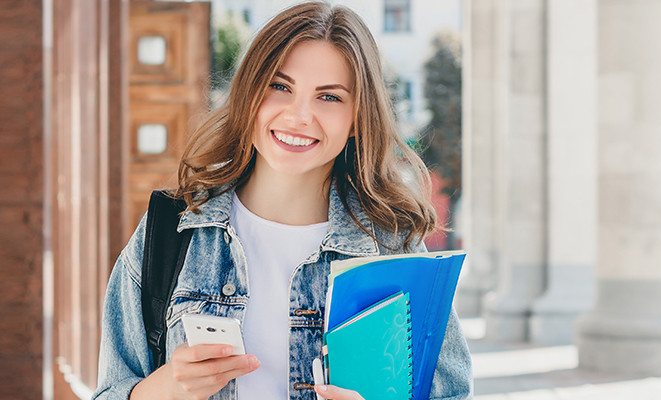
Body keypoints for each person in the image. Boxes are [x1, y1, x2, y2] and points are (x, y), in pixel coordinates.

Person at [92, 2, 473, 400]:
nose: (299, 115)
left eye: (329, 97)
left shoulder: (391, 248)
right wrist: (168, 386)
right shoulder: (172, 232)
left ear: (358, 118)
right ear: (250, 93)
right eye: (280, 86)